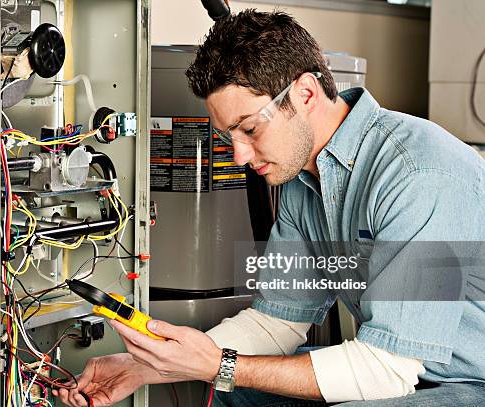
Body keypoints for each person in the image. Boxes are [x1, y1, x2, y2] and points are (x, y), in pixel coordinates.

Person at [54, 10, 485, 407]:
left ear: (306, 93)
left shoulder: (417, 175)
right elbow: (277, 323)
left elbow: (388, 370)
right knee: (229, 393)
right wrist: (145, 367)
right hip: (416, 372)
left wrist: (218, 365)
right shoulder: (303, 178)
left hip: (469, 382)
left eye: (250, 128)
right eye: (228, 137)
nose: (239, 156)